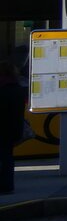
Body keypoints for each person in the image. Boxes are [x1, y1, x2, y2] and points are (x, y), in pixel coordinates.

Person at [0, 59, 26, 194]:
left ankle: (4, 185)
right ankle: (7, 185)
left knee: (4, 157)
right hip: (14, 129)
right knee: (7, 157)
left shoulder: (2, 89)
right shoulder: (18, 89)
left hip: (2, 129)